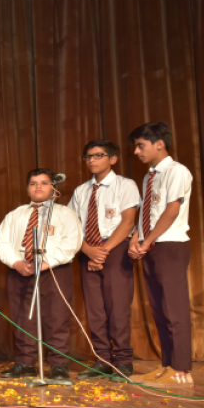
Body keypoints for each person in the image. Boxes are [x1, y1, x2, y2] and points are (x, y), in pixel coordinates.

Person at [0, 168, 82, 381]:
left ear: (53, 187)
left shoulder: (65, 214)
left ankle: (59, 365)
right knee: (23, 319)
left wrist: (47, 262)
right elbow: (2, 242)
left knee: (57, 318)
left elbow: (72, 242)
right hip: (21, 271)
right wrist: (16, 262)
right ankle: (25, 362)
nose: (38, 187)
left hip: (54, 271)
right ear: (27, 189)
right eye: (33, 183)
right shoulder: (15, 215)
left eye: (44, 183)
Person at [127, 122, 194, 388]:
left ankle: (181, 369)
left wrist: (148, 240)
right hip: (152, 245)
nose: (136, 152)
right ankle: (167, 365)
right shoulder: (149, 176)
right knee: (159, 309)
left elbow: (171, 210)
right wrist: (136, 238)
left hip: (169, 244)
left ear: (159, 144)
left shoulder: (176, 171)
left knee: (174, 309)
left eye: (140, 145)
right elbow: (147, 213)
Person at [69, 140, 139, 380]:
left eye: (98, 155)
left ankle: (123, 361)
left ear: (113, 159)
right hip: (87, 250)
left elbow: (128, 222)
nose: (92, 160)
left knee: (118, 307)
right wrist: (88, 251)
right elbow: (72, 225)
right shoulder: (81, 191)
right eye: (88, 156)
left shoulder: (125, 185)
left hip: (115, 248)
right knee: (95, 309)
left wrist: (103, 252)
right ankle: (103, 360)